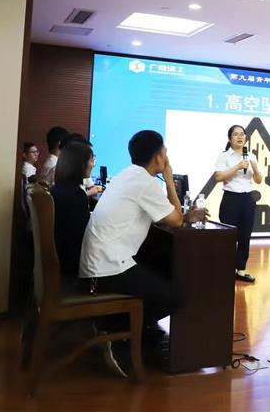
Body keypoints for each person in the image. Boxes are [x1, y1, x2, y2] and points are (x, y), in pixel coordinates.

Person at [79, 130, 208, 375]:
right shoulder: (145, 183)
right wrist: (169, 179)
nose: (167, 158)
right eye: (165, 153)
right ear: (158, 157)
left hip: (99, 262)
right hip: (109, 266)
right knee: (177, 295)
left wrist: (181, 216)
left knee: (156, 265)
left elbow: (166, 217)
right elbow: (175, 221)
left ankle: (122, 329)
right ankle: (118, 335)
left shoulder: (128, 175)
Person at [214, 124, 263, 283]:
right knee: (229, 237)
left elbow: (258, 180)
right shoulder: (224, 156)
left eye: (242, 134)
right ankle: (226, 269)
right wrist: (237, 167)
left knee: (245, 236)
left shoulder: (251, 156)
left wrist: (255, 169)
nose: (240, 136)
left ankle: (241, 270)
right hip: (231, 199)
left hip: (247, 199)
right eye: (235, 134)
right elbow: (218, 177)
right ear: (230, 139)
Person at [51, 141, 94, 287]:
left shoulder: (57, 189)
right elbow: (82, 237)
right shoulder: (76, 195)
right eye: (91, 160)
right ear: (80, 164)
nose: (93, 164)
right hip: (75, 269)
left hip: (63, 262)